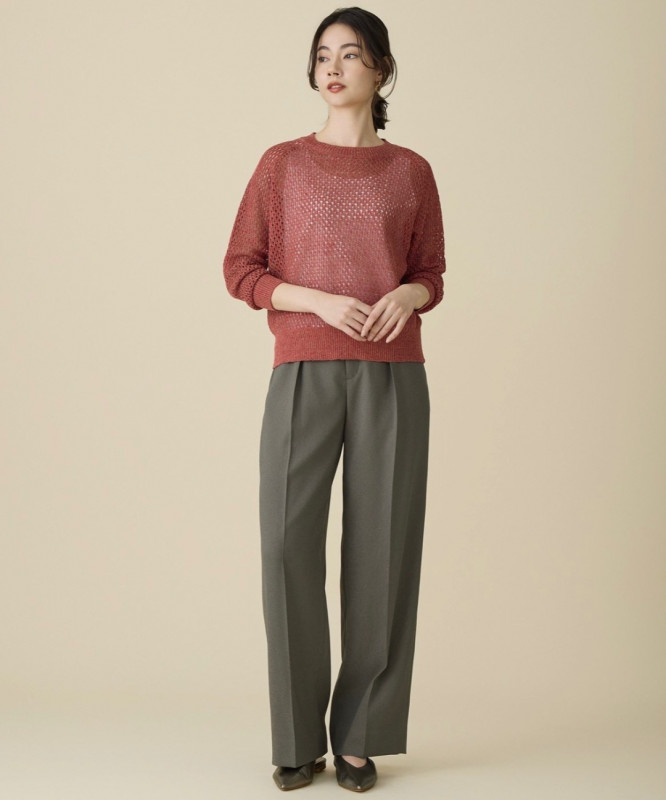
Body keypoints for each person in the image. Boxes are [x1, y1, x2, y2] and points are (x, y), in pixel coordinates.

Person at [223, 6, 446, 792]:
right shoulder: (281, 165)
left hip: (393, 373)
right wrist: (314, 299)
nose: (334, 67)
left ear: (381, 69)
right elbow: (241, 269)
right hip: (302, 369)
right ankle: (295, 737)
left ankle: (359, 736)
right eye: (323, 54)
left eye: (351, 54)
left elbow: (431, 272)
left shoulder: (411, 171)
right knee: (286, 545)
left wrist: (409, 295)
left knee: (383, 552)